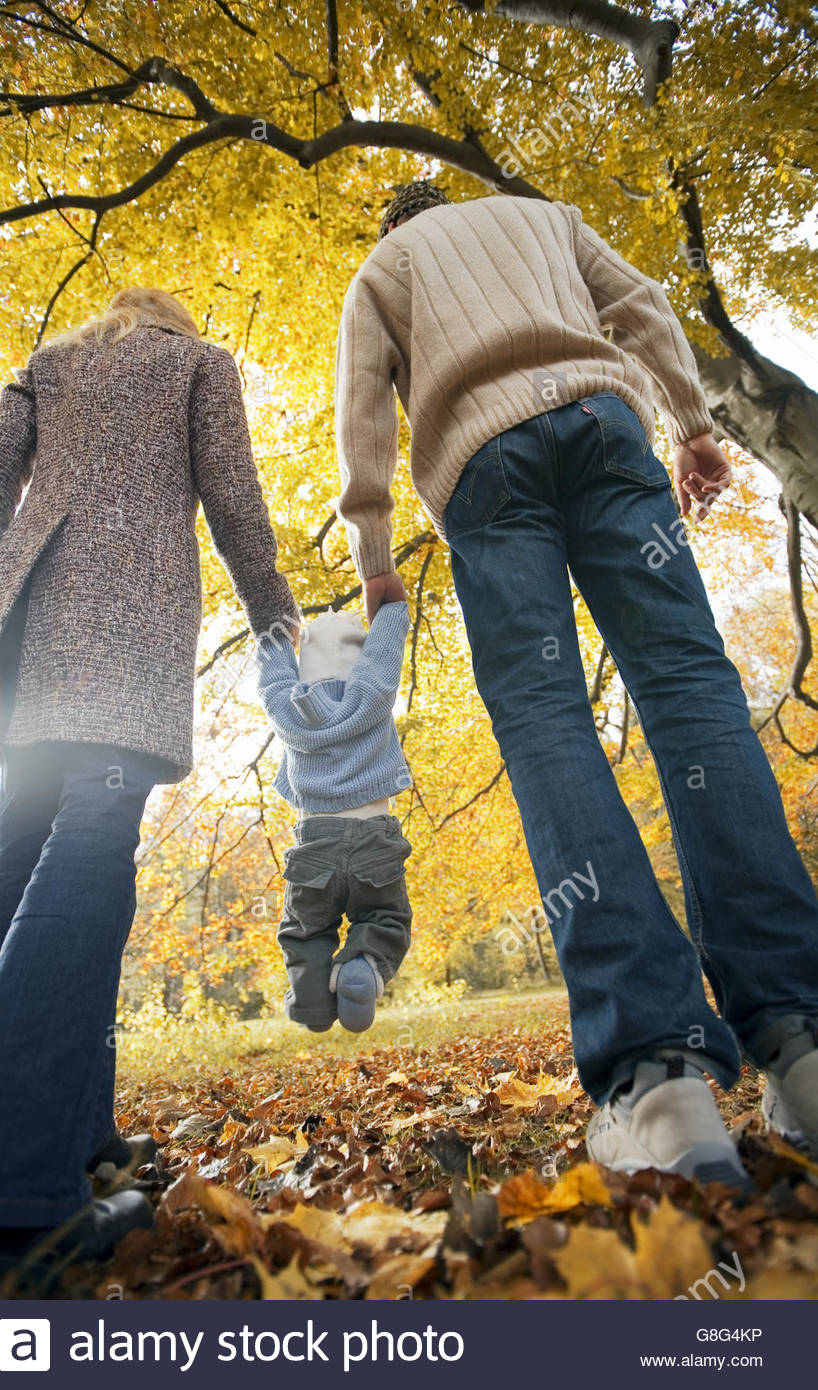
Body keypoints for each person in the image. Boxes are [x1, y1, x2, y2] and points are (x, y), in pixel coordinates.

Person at [333, 180, 818, 1189]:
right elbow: (638, 300)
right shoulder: (543, 216)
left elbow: (362, 404)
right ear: (449, 199)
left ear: (392, 225)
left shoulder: (383, 271)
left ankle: (657, 1079)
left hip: (481, 468)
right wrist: (689, 420)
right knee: (690, 688)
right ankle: (800, 1038)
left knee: (547, 722)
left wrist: (374, 552)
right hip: (605, 427)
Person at [0, 287, 298, 1285]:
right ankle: (4, 1184)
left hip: (26, 622)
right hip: (132, 603)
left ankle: (71, 1133)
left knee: (24, 857)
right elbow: (232, 499)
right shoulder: (196, 364)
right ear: (173, 319)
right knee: (97, 835)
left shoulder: (49, 360)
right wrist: (275, 619)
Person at [256, 603, 413, 1032]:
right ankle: (364, 962)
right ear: (359, 659)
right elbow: (385, 653)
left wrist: (276, 639)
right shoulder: (373, 695)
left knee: (306, 928)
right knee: (385, 918)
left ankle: (310, 997)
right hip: (374, 840)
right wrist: (392, 609)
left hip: (315, 842)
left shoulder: (288, 708)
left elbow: (272, 678)